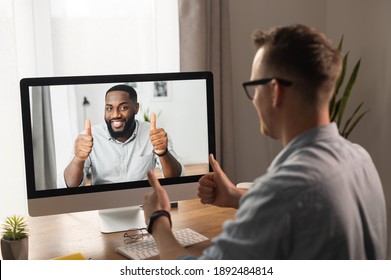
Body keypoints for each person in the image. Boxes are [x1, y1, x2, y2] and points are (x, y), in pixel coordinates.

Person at [143, 24, 387, 259]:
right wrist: (237, 196)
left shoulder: (283, 190)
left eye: (254, 87)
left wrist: (159, 219)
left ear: (275, 91)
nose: (253, 100)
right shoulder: (359, 159)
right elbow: (303, 212)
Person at [59, 84, 183, 187]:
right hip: (102, 204)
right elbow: (69, 186)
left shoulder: (154, 134)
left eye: (123, 107)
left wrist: (163, 153)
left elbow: (176, 178)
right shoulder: (89, 137)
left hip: (143, 203)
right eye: (109, 108)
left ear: (136, 108)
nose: (115, 115)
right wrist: (78, 159)